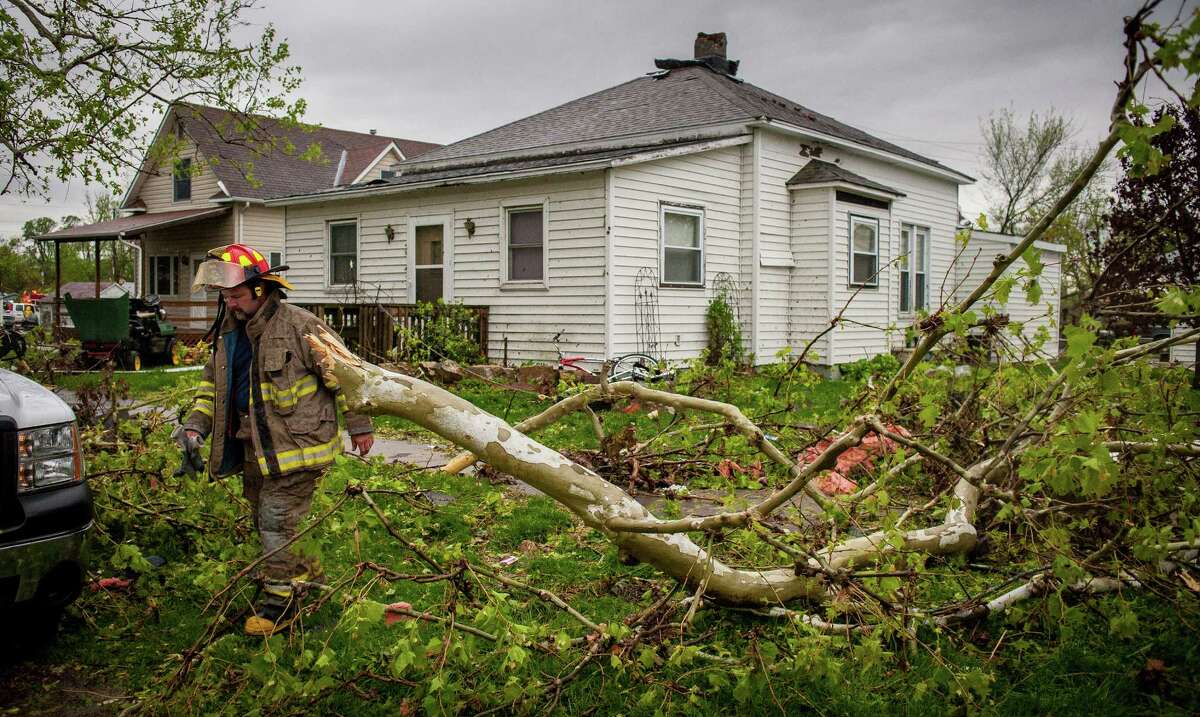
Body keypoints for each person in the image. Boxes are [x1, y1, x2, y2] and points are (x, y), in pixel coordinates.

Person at [181, 244, 373, 636]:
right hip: (255, 447)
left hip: (300, 447)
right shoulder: (230, 336)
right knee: (273, 522)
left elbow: (348, 376)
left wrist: (360, 425)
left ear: (260, 289)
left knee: (275, 519)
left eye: (235, 295)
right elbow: (211, 389)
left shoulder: (300, 326)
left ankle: (280, 604)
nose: (230, 304)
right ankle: (310, 582)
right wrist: (194, 426)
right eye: (225, 297)